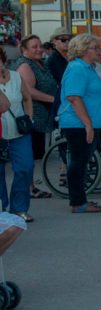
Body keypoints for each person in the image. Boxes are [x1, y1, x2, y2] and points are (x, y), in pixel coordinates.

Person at [58, 34, 101, 214]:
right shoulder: (77, 68)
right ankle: (78, 202)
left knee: (82, 161)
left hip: (90, 122)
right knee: (79, 162)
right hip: (78, 123)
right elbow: (73, 97)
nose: (98, 50)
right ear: (83, 50)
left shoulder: (88, 68)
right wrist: (87, 124)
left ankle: (80, 199)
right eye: (94, 47)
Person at [10, 35, 57, 198]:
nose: (39, 49)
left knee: (32, 155)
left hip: (40, 115)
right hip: (30, 116)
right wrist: (54, 99)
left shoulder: (38, 63)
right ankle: (28, 188)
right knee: (27, 155)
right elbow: (28, 91)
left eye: (40, 46)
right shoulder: (25, 65)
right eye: (34, 47)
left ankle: (30, 187)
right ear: (24, 50)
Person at [0, 48, 33, 222]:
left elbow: (27, 98)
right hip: (0, 134)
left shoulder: (16, 77)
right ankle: (2, 209)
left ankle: (19, 208)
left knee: (25, 168)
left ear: (3, 60)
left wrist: (29, 118)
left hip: (19, 132)